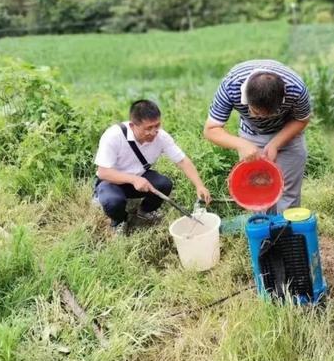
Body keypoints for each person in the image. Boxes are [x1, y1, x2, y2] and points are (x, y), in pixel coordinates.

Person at [203, 59, 311, 212]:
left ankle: (285, 233)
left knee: (288, 194)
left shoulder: (296, 88)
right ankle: (264, 232)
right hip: (250, 135)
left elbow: (302, 119)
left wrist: (275, 143)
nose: (262, 118)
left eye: (269, 114)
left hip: (287, 132)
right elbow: (210, 129)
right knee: (257, 192)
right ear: (247, 98)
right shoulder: (231, 84)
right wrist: (243, 144)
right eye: (257, 113)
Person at [94, 100, 211, 234]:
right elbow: (103, 172)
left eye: (157, 125)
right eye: (148, 128)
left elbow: (183, 161)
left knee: (164, 184)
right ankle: (119, 221)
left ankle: (145, 211)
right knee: (113, 202)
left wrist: (199, 185)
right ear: (133, 125)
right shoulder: (113, 136)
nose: (154, 132)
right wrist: (133, 179)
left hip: (139, 177)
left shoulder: (161, 136)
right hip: (112, 181)